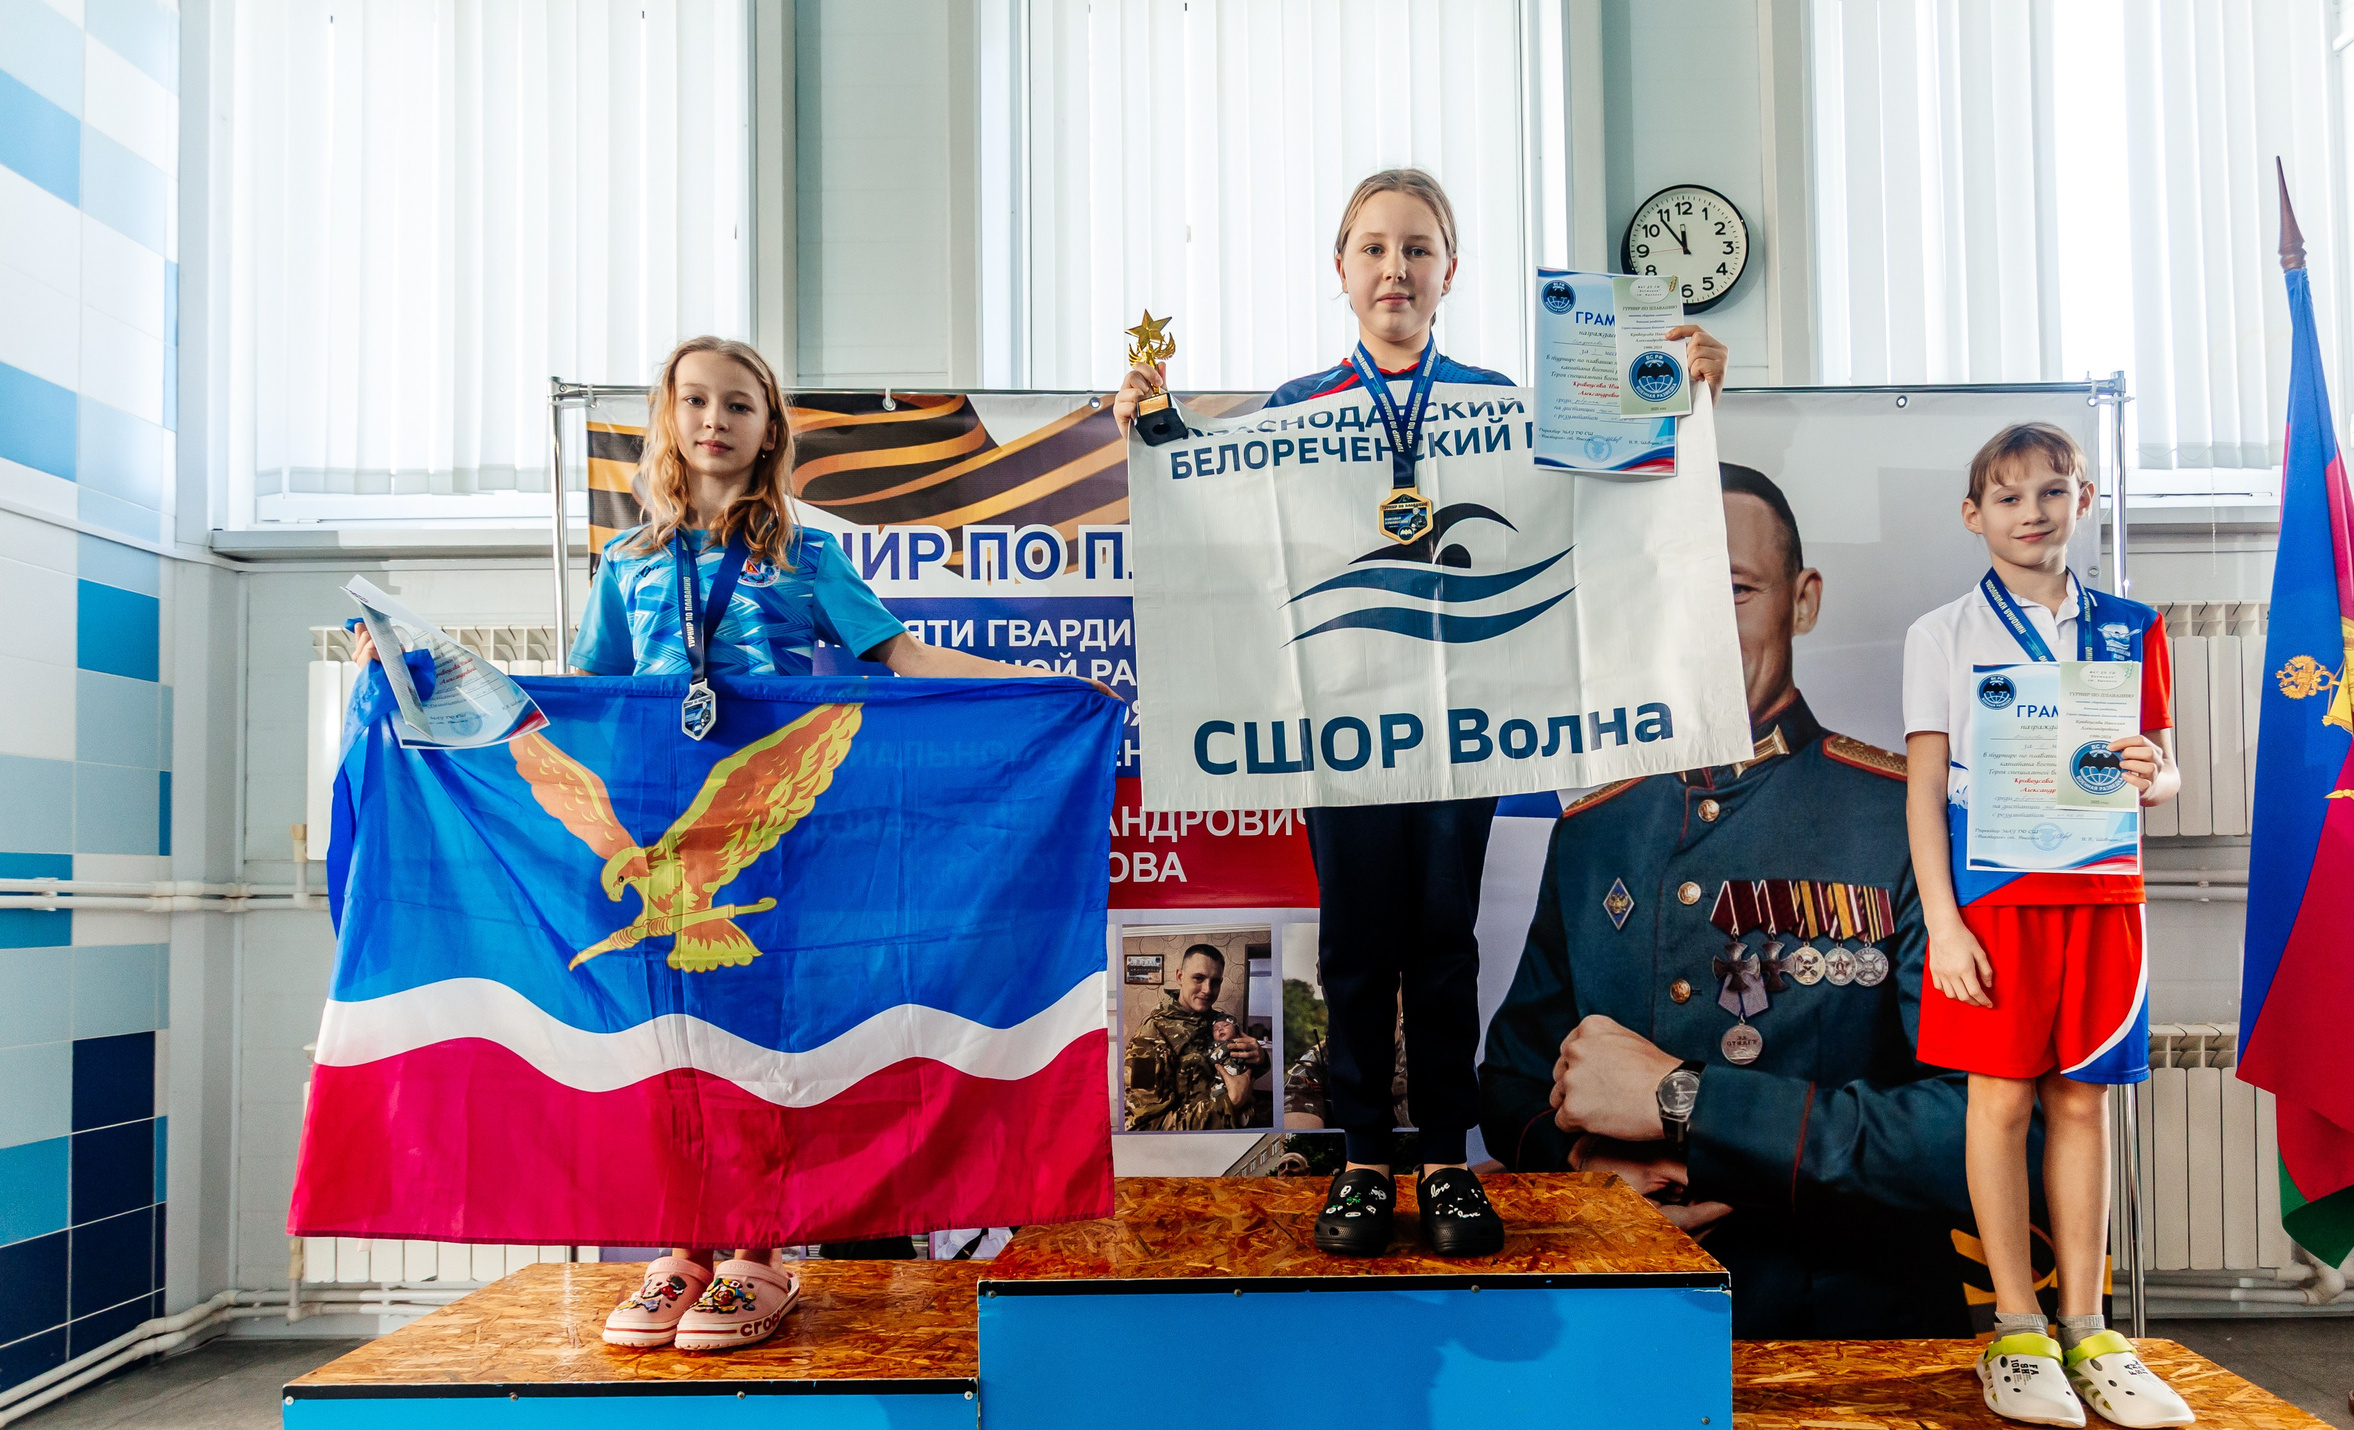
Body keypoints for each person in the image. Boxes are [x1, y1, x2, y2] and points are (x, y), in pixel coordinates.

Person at [1113, 167, 1727, 1260]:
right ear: (1340, 268)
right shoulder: (1297, 408)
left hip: (1460, 726)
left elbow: (1617, 486)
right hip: (1342, 731)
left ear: (1450, 271)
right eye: (1374, 248)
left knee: (1442, 944)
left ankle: (1444, 1156)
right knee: (1356, 947)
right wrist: (1155, 433)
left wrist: (1677, 391)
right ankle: (1360, 1160)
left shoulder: (1500, 401)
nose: (1394, 268)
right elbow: (1216, 520)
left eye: (1417, 248)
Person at [529, 333, 1024, 1352]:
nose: (714, 419)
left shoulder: (807, 558)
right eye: (696, 400)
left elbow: (902, 655)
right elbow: (577, 699)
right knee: (668, 1048)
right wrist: (422, 677)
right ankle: (681, 1249)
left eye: (738, 404)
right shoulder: (626, 565)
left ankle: (758, 1254)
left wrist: (1040, 690)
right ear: (669, 418)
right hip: (658, 839)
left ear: (769, 430)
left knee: (758, 1049)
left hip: (765, 849)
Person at [1480, 464, 1987, 1337]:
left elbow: (1979, 1128)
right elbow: (1511, 1082)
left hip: (1849, 1333)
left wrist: (1687, 1101)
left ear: (1804, 600)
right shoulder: (1596, 829)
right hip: (1629, 1323)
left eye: (1736, 591)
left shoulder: (1908, 819)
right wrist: (1584, 1162)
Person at [1904, 421, 2189, 1429]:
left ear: (2085, 499)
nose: (2032, 512)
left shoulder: (2132, 627)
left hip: (2103, 898)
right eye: (2009, 496)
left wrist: (2157, 774)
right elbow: (1923, 791)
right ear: (1973, 514)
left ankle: (2087, 1326)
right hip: (1994, 902)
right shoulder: (1941, 633)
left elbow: (2161, 765)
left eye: (2052, 492)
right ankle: (2017, 1327)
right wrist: (1943, 925)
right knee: (1998, 1104)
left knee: (2081, 1103)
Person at [1124, 943, 1270, 1130]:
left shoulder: (1220, 1022)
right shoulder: (1149, 1038)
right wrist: (1229, 1103)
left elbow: (1239, 1068)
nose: (1207, 989)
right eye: (1198, 978)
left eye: (1215, 982)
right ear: (1180, 976)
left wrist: (1260, 1058)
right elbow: (1144, 1126)